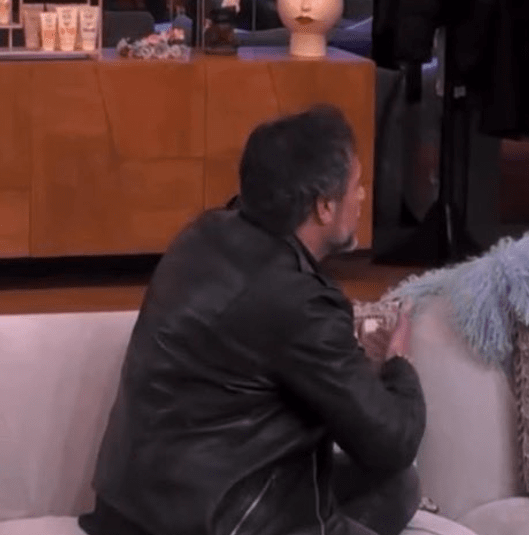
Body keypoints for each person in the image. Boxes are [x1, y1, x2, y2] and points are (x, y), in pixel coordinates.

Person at [79, 105, 426, 535]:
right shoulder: (299, 302)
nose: (361, 198)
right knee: (394, 474)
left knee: (398, 488)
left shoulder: (200, 235)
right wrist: (398, 362)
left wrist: (347, 363)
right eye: (356, 186)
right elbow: (392, 443)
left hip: (131, 513)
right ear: (323, 207)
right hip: (216, 522)